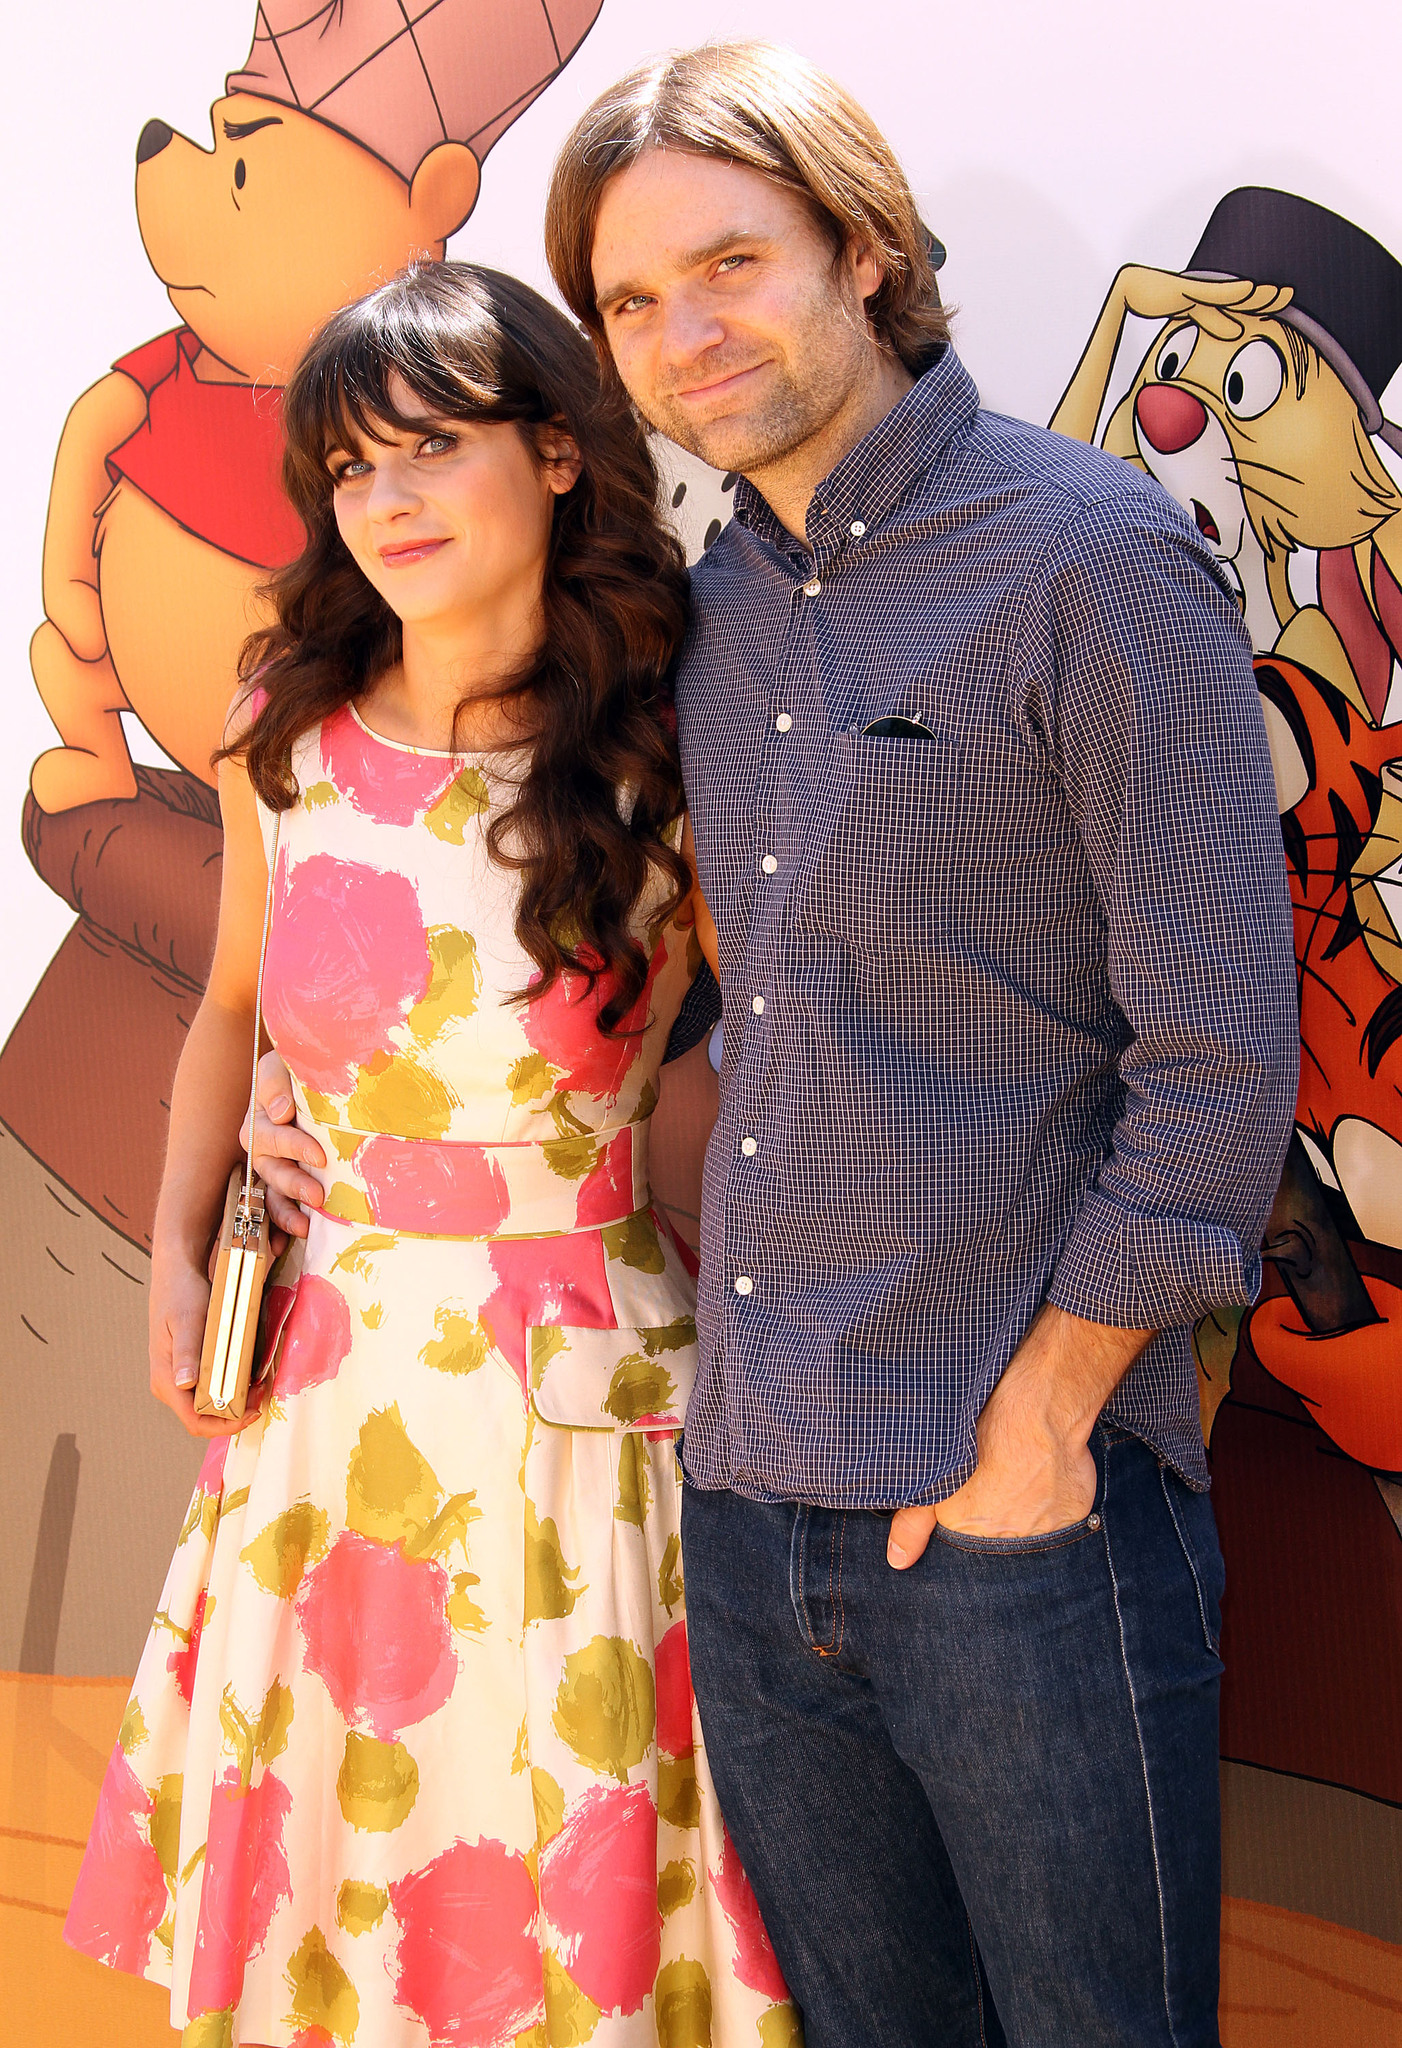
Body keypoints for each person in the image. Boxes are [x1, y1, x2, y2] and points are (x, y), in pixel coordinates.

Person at [247, 41, 1298, 2047]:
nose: (679, 332)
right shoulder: (696, 620)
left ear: (867, 250)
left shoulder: (1087, 563)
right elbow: (552, 929)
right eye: (630, 303)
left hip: (1021, 1515)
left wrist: (1044, 1422)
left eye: (727, 265)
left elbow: (1213, 1066)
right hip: (741, 1506)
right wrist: (311, 1077)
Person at [64, 262, 796, 2048]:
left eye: (425, 453)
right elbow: (229, 1010)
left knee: (564, 1863)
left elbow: (809, 1042)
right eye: (345, 471)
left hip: (584, 1397)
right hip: (325, 1382)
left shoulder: (672, 746)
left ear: (557, 455)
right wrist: (181, 1254)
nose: (380, 505)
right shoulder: (289, 733)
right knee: (339, 1882)